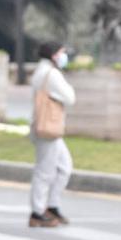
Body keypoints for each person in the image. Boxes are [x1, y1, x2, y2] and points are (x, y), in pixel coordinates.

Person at [29, 42, 75, 227]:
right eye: (62, 52)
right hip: (47, 128)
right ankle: (37, 212)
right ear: (54, 55)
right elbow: (70, 97)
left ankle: (52, 206)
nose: (64, 56)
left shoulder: (42, 71)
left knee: (64, 167)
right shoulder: (51, 74)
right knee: (44, 171)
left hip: (47, 128)